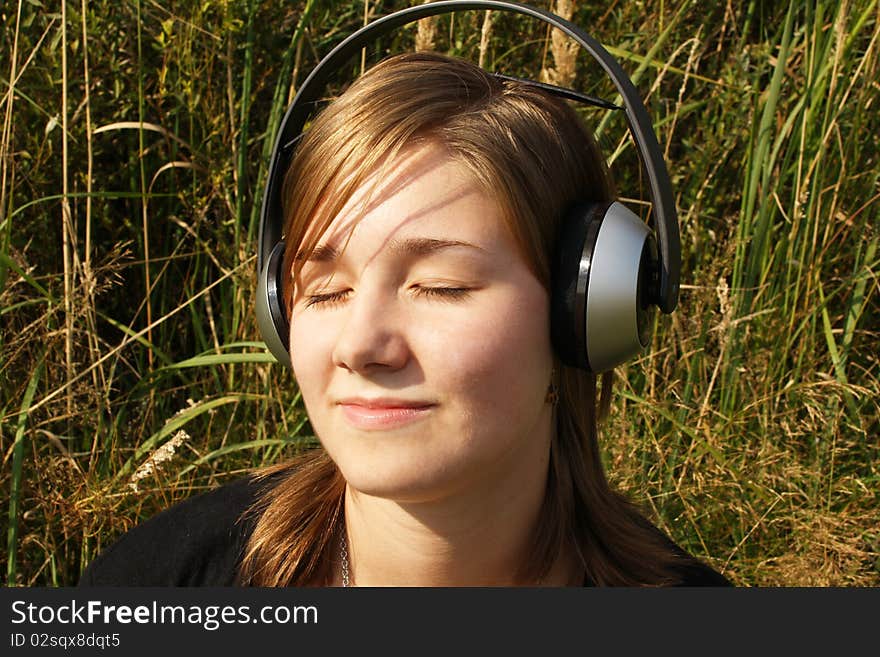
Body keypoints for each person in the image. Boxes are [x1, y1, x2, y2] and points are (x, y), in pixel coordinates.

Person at [79, 51, 730, 587]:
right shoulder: (159, 582)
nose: (361, 345)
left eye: (439, 287)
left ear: (585, 311)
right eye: (327, 290)